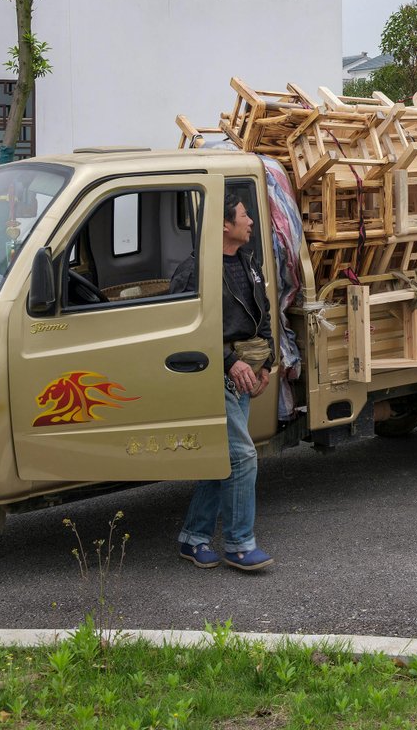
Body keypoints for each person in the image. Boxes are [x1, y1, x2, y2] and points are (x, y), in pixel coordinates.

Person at [172, 192, 275, 572]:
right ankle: (238, 544)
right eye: (245, 216)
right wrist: (229, 361)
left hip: (244, 374)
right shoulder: (194, 270)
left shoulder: (248, 264)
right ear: (225, 225)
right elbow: (183, 329)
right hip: (212, 374)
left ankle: (193, 538)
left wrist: (267, 363)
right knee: (244, 457)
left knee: (225, 460)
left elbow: (263, 315)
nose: (251, 223)